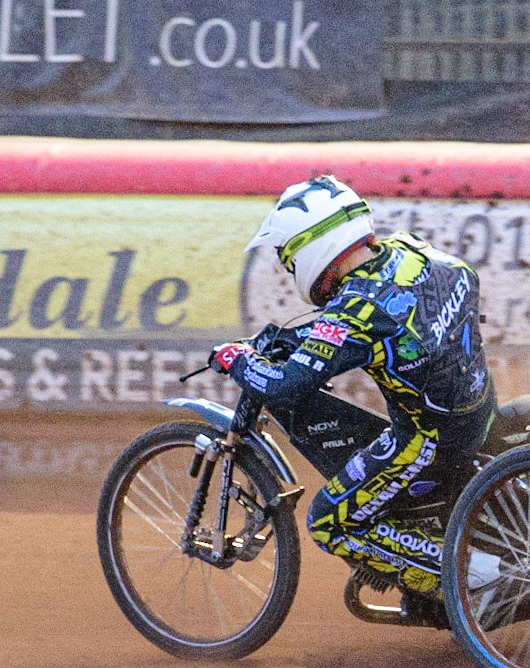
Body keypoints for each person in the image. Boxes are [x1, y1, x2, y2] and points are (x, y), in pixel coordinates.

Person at [208, 175, 494, 596]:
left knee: (326, 520)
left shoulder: (354, 313)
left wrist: (236, 358)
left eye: (290, 260)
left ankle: (477, 578)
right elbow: (409, 303)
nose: (291, 271)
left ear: (310, 247)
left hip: (427, 442)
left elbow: (285, 387)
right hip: (479, 406)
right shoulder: (412, 250)